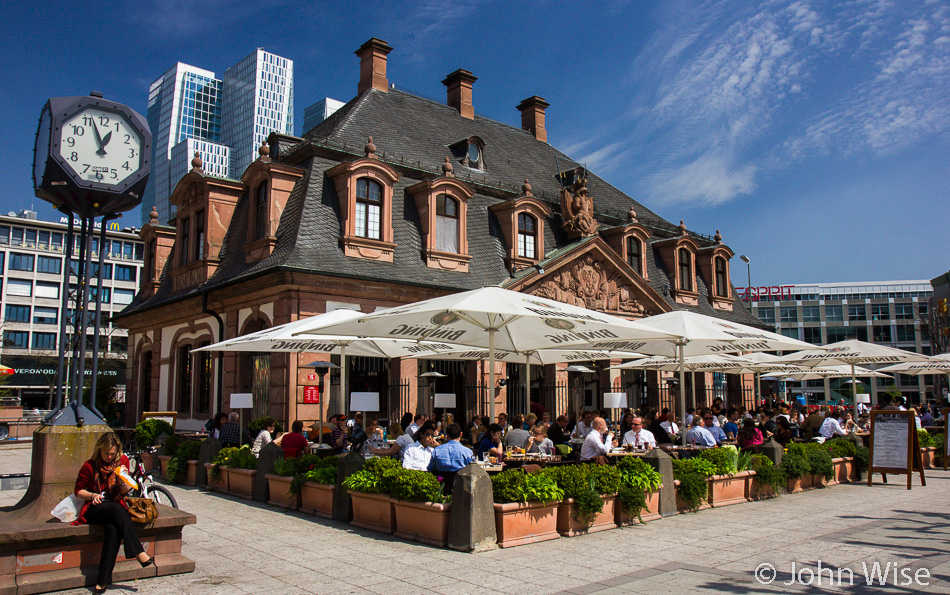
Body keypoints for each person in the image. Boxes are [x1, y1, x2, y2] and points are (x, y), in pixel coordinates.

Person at [73, 432, 153, 593]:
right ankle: (137, 551)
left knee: (113, 529)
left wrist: (123, 478)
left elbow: (125, 491)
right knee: (117, 510)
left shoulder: (121, 461)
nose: (109, 456)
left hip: (115, 505)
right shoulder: (89, 465)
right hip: (95, 508)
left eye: (112, 453)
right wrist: (93, 495)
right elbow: (78, 491)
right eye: (106, 453)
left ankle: (102, 580)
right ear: (99, 451)